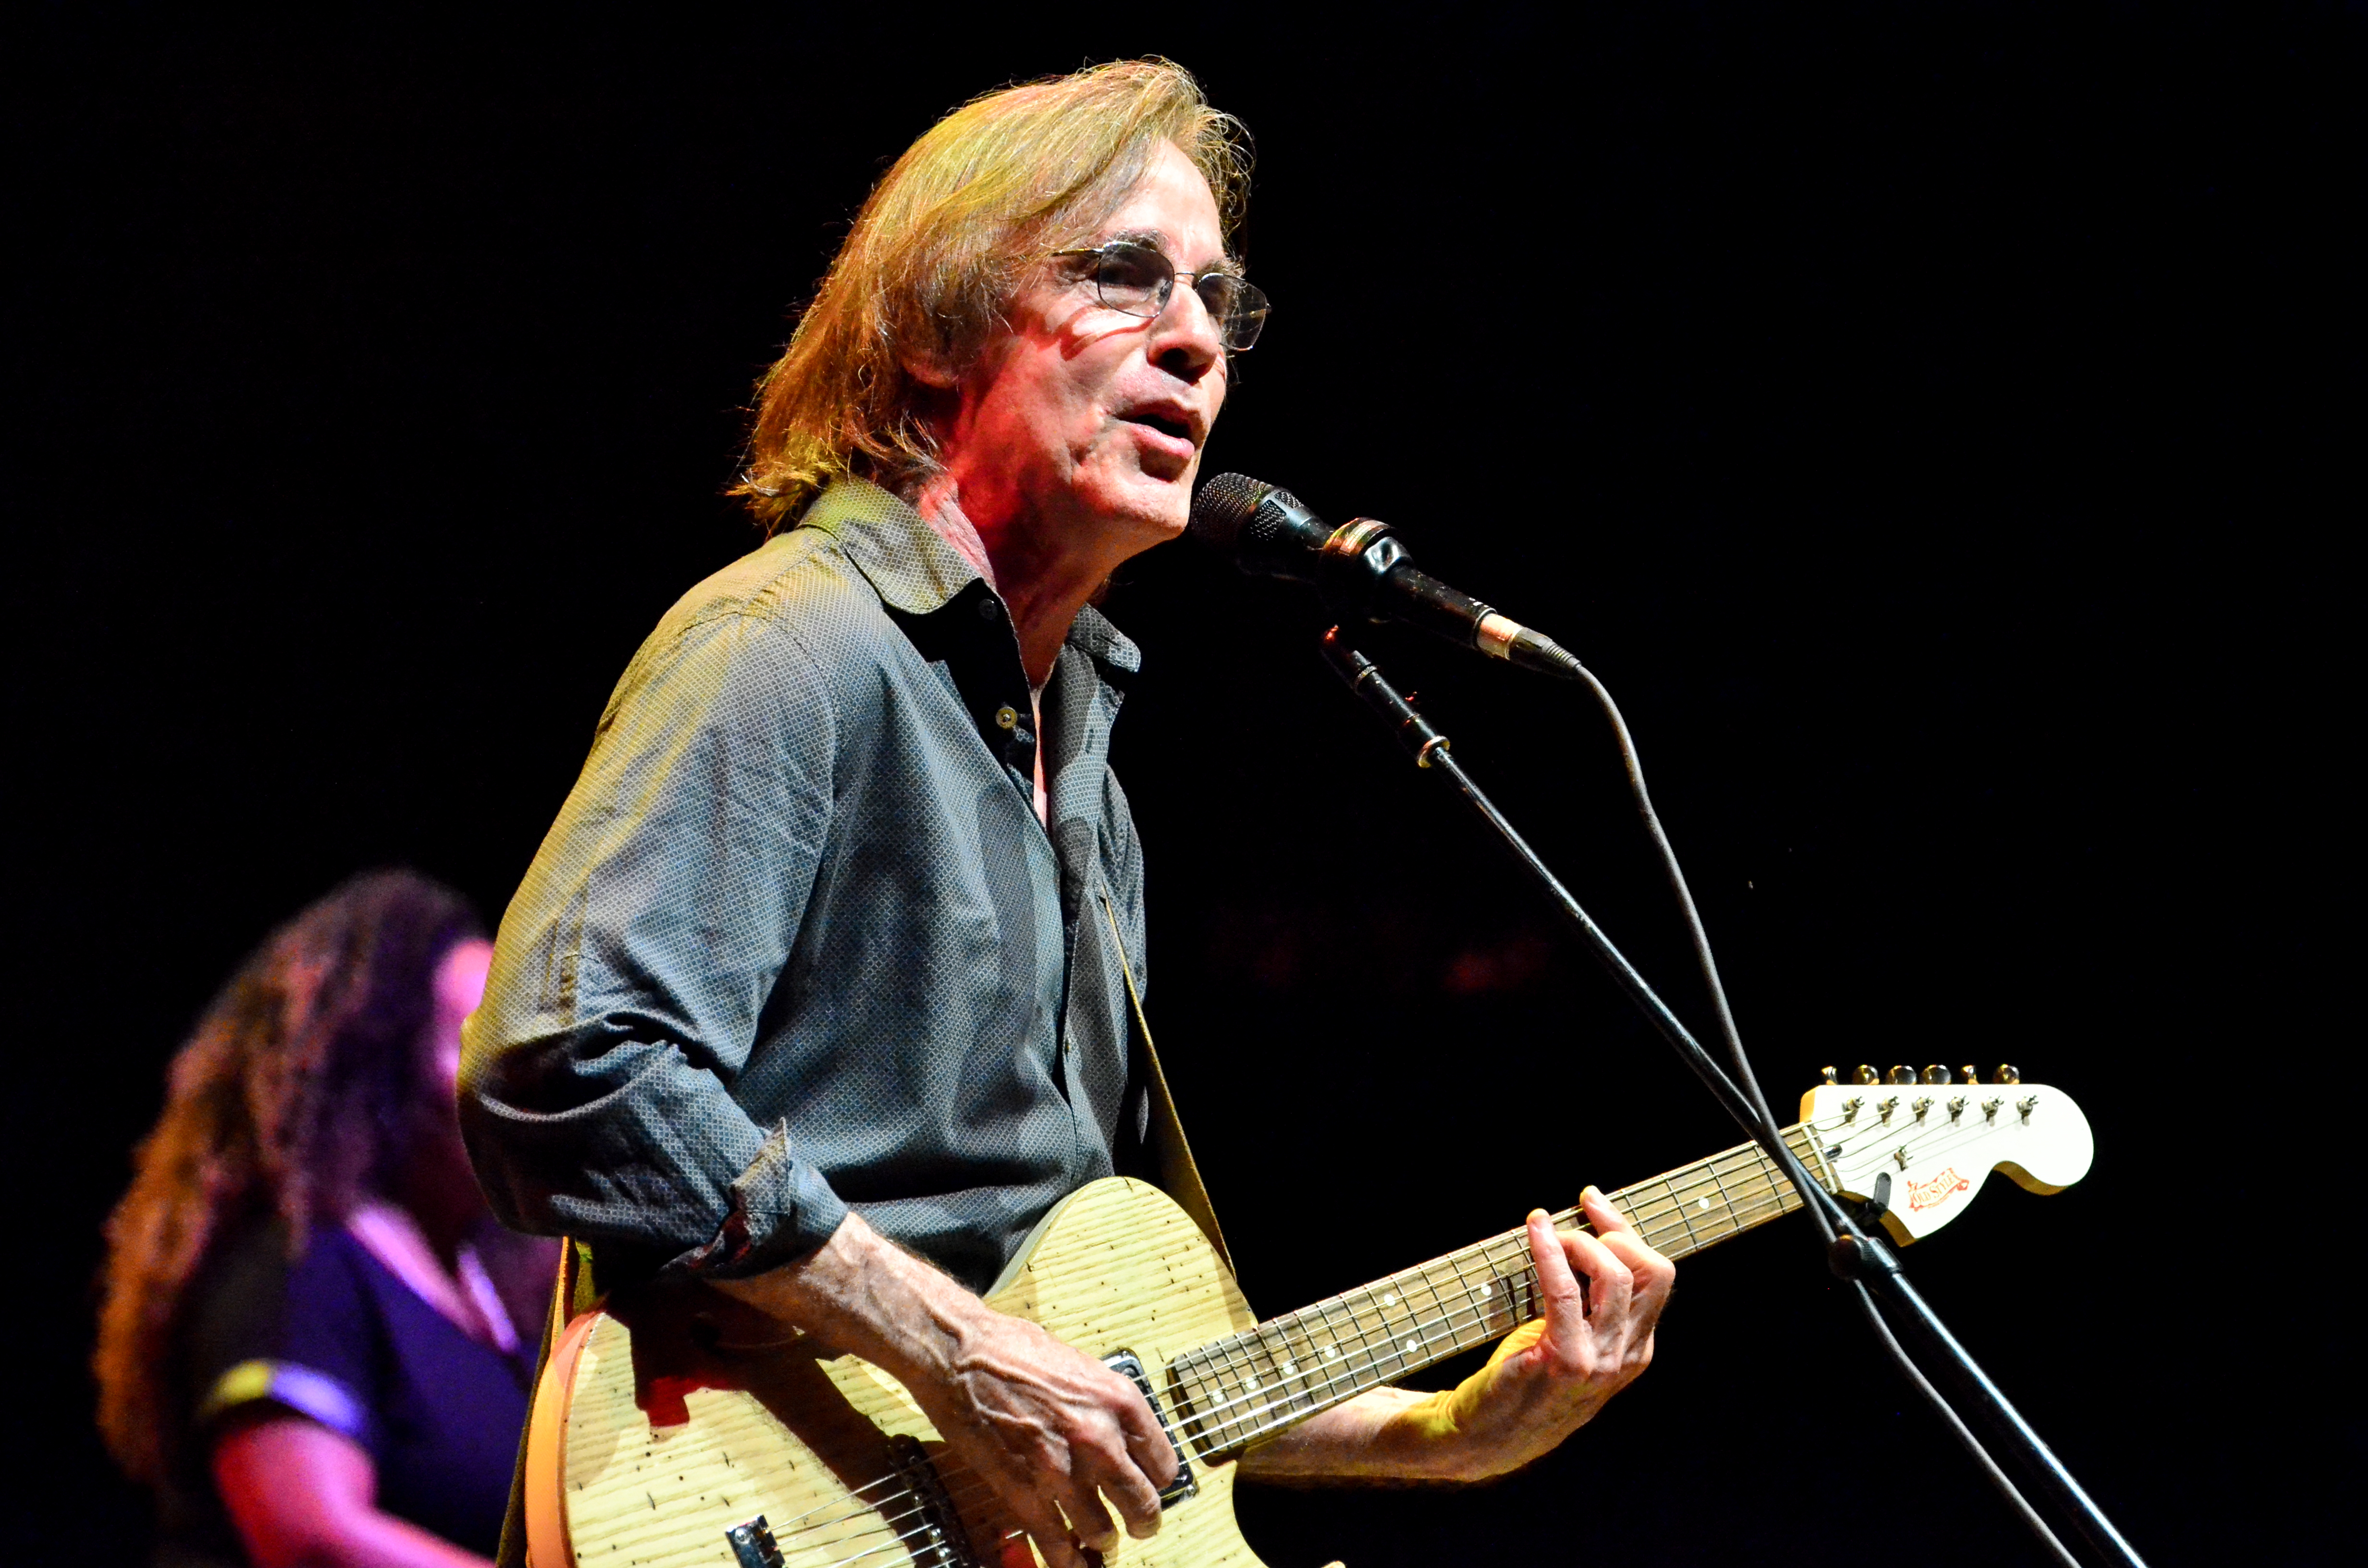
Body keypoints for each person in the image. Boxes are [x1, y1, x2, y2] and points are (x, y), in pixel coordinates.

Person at [459, 59, 1674, 1568]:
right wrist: (955, 1355)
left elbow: (1106, 1367)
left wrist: (1449, 1435)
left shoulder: (1082, 760)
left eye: (1217, 305)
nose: (1192, 343)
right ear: (931, 335)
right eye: (1123, 277)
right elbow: (567, 1064)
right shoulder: (792, 643)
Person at [97, 871, 559, 1568]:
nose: (520, 1078)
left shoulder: (496, 1294)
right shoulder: (299, 1266)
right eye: (478, 1046)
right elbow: (309, 1537)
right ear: (378, 1070)